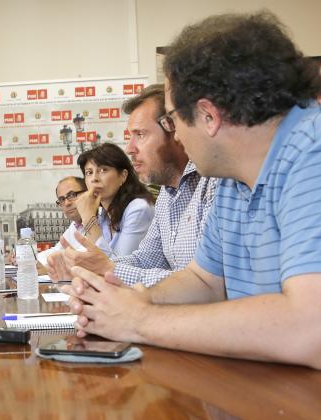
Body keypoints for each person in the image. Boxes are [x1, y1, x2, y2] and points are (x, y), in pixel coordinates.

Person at [63, 12, 321, 375]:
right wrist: (133, 300)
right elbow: (205, 280)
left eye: (172, 119)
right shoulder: (234, 177)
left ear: (208, 115)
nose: (177, 136)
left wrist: (139, 319)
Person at [47, 84, 217, 286]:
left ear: (175, 130)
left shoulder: (212, 184)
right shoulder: (166, 194)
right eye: (89, 173)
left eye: (140, 135)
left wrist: (108, 269)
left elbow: (204, 287)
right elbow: (145, 259)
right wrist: (89, 267)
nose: (130, 148)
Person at [74, 143, 155, 257]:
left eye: (103, 170)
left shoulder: (139, 209)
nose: (94, 179)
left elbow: (119, 268)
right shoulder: (104, 215)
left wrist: (88, 218)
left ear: (123, 176)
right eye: (89, 172)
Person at [34, 176, 87, 268]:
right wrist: (29, 260)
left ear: (88, 193)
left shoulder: (103, 221)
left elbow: (83, 258)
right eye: (62, 199)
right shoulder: (75, 225)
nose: (67, 203)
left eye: (72, 195)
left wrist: (47, 267)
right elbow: (57, 250)